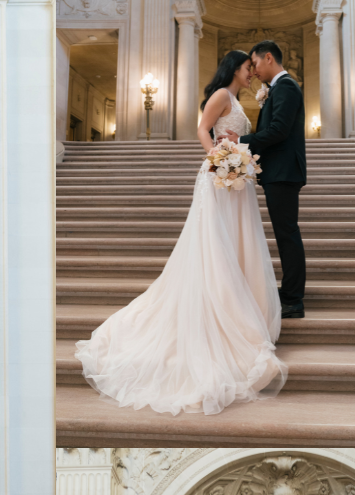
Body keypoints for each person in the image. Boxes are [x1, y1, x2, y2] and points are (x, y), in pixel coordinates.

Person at [75, 49, 286, 416]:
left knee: (236, 243)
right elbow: (203, 129)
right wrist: (218, 160)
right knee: (213, 246)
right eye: (248, 68)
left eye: (254, 68)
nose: (252, 74)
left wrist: (236, 159)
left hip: (236, 179)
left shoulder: (236, 98)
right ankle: (220, 308)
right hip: (220, 177)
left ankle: (239, 304)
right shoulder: (222, 95)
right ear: (234, 69)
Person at [222, 40, 308, 319]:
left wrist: (242, 141)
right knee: (286, 234)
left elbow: (279, 130)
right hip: (278, 172)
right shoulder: (279, 88)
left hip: (283, 172)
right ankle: (290, 295)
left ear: (268, 58)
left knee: (287, 234)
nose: (255, 70)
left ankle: (293, 300)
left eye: (255, 63)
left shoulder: (286, 86)